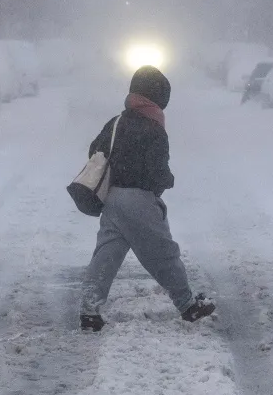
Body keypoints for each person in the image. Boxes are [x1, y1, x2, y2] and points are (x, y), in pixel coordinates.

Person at [79, 65, 216, 330]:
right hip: (139, 200)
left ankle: (89, 311)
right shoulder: (154, 129)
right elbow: (158, 172)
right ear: (157, 98)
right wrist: (168, 181)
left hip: (113, 198)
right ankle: (187, 305)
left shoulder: (117, 121)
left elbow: (94, 151)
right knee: (163, 254)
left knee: (106, 255)